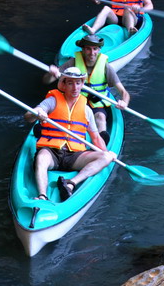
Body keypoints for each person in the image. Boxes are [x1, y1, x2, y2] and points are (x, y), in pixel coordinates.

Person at [24, 67, 115, 202]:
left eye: (78, 83)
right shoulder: (52, 101)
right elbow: (28, 117)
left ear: (82, 85)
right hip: (52, 152)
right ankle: (43, 196)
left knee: (106, 157)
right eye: (71, 83)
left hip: (74, 156)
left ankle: (71, 183)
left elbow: (95, 137)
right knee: (41, 158)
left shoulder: (86, 109)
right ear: (64, 85)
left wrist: (107, 153)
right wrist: (37, 113)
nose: (75, 87)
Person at [44, 34, 129, 143]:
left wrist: (124, 102)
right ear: (83, 49)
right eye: (88, 49)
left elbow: (124, 92)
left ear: (99, 50)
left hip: (96, 103)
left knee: (100, 117)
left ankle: (101, 142)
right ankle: (49, 130)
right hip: (75, 101)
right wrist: (51, 74)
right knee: (66, 115)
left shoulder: (105, 67)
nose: (92, 52)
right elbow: (47, 81)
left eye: (95, 49)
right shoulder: (72, 63)